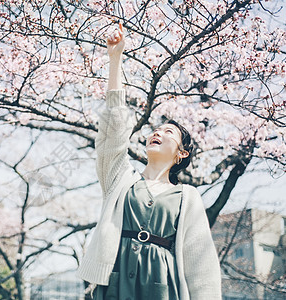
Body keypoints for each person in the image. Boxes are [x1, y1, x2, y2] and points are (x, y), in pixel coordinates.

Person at [76, 23, 222, 300]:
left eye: (169, 132)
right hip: (115, 282)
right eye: (157, 129)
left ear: (182, 153)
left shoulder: (187, 196)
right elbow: (114, 129)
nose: (158, 132)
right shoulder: (120, 179)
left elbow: (201, 265)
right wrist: (115, 59)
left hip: (162, 285)